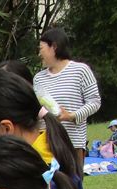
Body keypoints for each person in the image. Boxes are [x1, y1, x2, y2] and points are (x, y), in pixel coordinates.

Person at [33, 27, 101, 175]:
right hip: (45, 145)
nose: (40, 54)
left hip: (72, 143)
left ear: (54, 47)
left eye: (42, 49)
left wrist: (71, 115)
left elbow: (95, 101)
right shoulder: (38, 78)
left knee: (73, 188)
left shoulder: (81, 70)